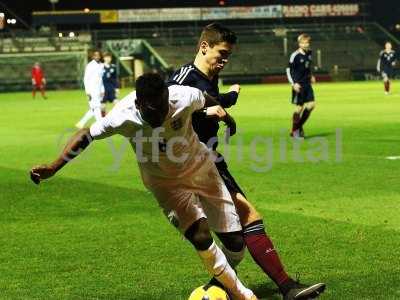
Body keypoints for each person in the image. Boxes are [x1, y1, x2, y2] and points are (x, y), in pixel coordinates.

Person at [30, 73, 258, 300]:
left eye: (163, 106)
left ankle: (218, 285)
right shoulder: (122, 115)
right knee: (200, 235)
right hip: (165, 184)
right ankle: (243, 295)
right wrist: (53, 167)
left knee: (236, 244)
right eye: (153, 110)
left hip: (201, 168)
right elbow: (86, 135)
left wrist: (224, 114)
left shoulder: (182, 96)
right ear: (139, 104)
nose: (160, 114)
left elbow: (204, 98)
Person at [168, 24, 325, 300]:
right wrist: (213, 109)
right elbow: (168, 112)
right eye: (222, 53)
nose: (225, 60)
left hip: (211, 157)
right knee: (248, 218)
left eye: (228, 55)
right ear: (204, 47)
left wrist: (226, 115)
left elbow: (211, 104)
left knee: (237, 237)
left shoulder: (208, 76)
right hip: (194, 160)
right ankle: (286, 287)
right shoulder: (184, 76)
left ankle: (217, 288)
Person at [286, 33, 316, 139]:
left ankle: (296, 128)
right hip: (298, 85)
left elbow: (308, 67)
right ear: (299, 43)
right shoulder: (295, 55)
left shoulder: (309, 53)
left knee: (312, 105)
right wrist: (293, 84)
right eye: (303, 42)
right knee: (299, 108)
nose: (305, 44)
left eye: (307, 42)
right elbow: (288, 70)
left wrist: (311, 75)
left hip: (307, 84)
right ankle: (295, 132)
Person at [75, 50, 104, 129]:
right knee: (97, 107)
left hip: (99, 91)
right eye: (95, 55)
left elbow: (101, 79)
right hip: (92, 90)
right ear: (93, 57)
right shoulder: (90, 65)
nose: (97, 57)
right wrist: (88, 92)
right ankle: (100, 123)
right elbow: (86, 79)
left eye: (98, 55)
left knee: (94, 108)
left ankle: (80, 123)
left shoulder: (101, 65)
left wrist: (102, 90)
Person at [101, 52, 119, 116]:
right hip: (103, 89)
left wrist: (117, 88)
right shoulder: (100, 67)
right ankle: (103, 118)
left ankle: (116, 117)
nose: (108, 59)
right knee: (102, 106)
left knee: (117, 103)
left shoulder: (113, 67)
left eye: (109, 57)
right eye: (106, 57)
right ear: (104, 58)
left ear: (111, 58)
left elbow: (115, 78)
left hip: (111, 88)